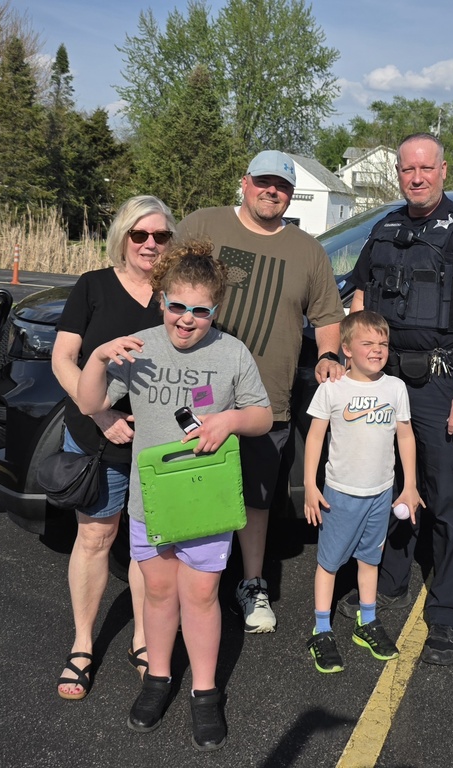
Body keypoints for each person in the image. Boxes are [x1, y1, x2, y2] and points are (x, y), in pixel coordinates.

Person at [77, 241, 273, 751]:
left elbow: (262, 415)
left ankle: (205, 694)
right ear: (162, 299)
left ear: (216, 309)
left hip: (206, 501)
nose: (187, 320)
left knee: (202, 596)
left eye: (200, 310)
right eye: (178, 306)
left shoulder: (231, 352)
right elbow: (90, 400)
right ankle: (157, 680)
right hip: (152, 502)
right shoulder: (138, 347)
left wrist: (229, 419)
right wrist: (99, 356)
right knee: (160, 593)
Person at [344, 133, 453, 666]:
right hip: (386, 383)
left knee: (448, 501)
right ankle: (389, 583)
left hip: (440, 385)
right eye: (407, 169)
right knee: (386, 485)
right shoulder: (385, 228)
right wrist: (355, 361)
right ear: (398, 173)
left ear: (443, 170)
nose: (416, 177)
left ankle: (446, 615)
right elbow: (361, 296)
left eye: (426, 168)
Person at [176, 150, 345, 634]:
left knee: (256, 499)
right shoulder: (203, 226)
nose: (272, 191)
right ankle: (191, 581)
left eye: (283, 186)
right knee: (193, 488)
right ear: (245, 183)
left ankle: (252, 584)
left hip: (265, 401)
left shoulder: (307, 250)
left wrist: (330, 355)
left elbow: (328, 316)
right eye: (264, 182)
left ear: (291, 195)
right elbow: (163, 289)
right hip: (196, 391)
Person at [51, 195, 175, 700]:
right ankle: (83, 645)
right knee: (96, 539)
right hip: (97, 438)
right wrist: (99, 413)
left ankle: (144, 640)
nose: (149, 244)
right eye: (139, 234)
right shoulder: (94, 286)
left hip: (159, 443)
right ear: (122, 236)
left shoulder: (176, 293)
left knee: (150, 546)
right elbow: (64, 359)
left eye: (161, 236)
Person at [302, 310, 422, 673]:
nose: (377, 350)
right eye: (367, 343)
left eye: (383, 344)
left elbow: (405, 435)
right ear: (346, 350)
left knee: (370, 559)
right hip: (339, 494)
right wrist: (309, 485)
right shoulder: (333, 389)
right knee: (329, 563)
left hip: (381, 493)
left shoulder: (395, 388)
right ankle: (321, 629)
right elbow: (314, 437)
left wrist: (410, 485)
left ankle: (366, 622)